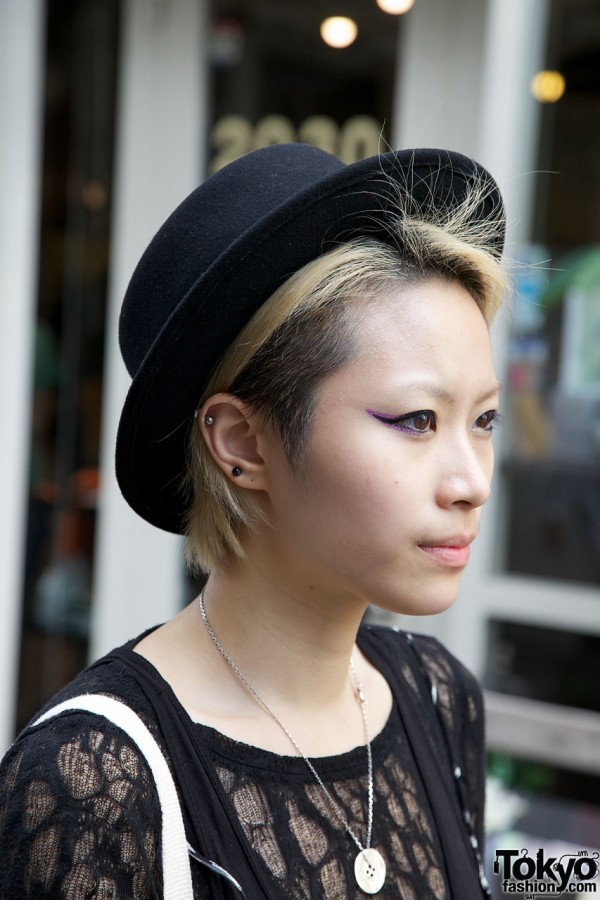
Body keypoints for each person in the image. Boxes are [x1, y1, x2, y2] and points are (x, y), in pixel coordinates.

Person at [0, 143, 508, 899]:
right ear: (243, 441)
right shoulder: (96, 785)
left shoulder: (436, 697)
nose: (472, 482)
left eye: (485, 420)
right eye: (415, 420)